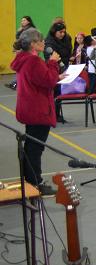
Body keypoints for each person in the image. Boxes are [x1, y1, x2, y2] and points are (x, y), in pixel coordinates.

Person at [11, 28, 62, 196]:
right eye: (41, 40)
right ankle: (35, 183)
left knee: (30, 147)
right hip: (39, 110)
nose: (44, 43)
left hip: (29, 108)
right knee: (35, 149)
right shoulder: (34, 61)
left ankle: (30, 181)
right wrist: (53, 62)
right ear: (33, 43)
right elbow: (48, 80)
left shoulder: (24, 59)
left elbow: (39, 78)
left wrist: (53, 73)